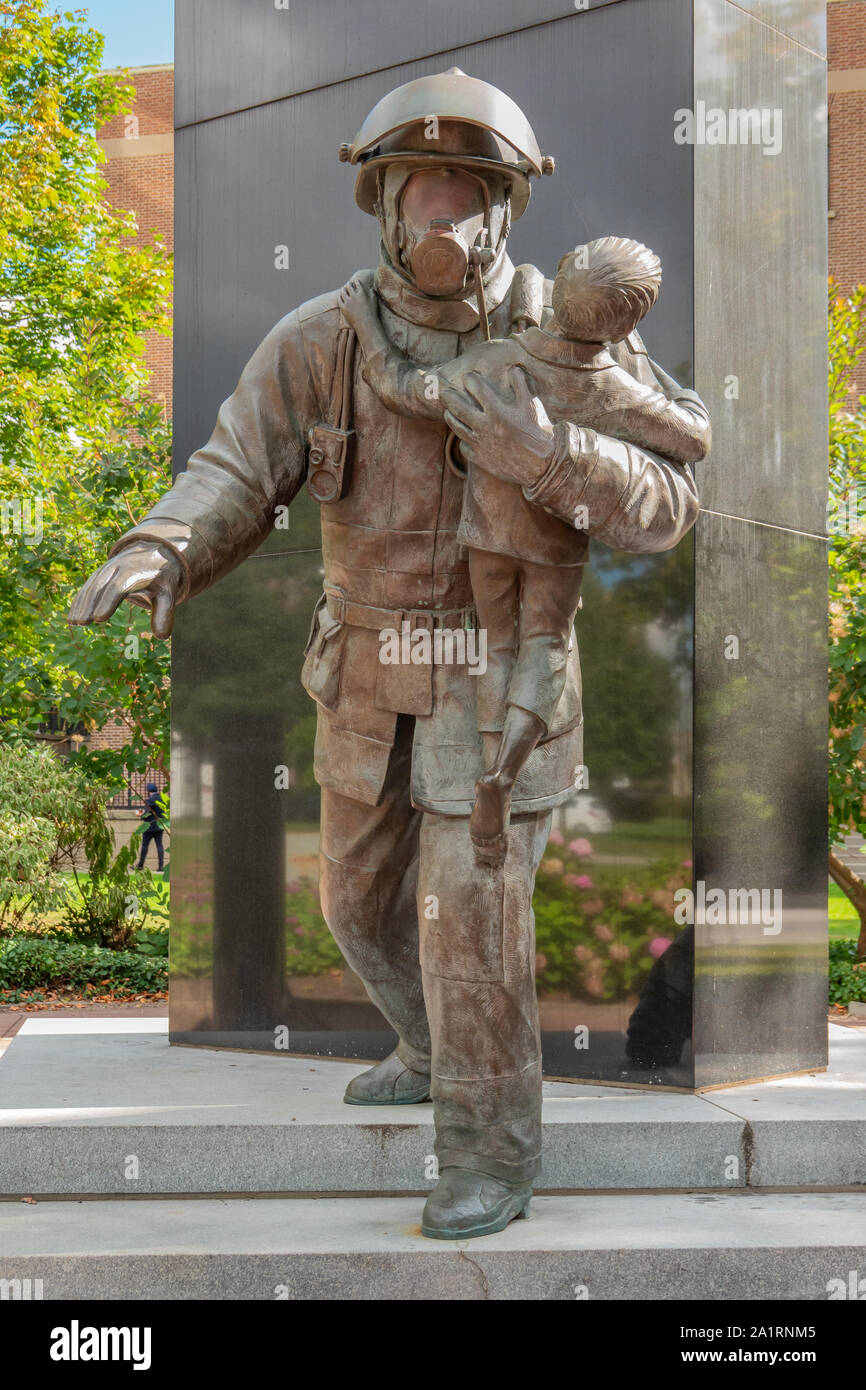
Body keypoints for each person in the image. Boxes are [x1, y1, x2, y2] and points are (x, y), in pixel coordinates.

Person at [68, 69, 704, 1240]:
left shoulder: (566, 340)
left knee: (469, 914)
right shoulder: (318, 339)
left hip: (502, 670)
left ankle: (487, 1148)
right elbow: (232, 471)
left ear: (507, 208)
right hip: (365, 670)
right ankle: (426, 1042)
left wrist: (550, 451)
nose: (442, 219)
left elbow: (669, 499)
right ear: (381, 203)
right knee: (354, 902)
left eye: (467, 194)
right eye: (422, 192)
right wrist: (163, 549)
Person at [337, 236, 710, 859]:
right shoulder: (613, 390)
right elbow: (694, 435)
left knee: (498, 646)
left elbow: (398, 384)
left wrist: (363, 321)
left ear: (560, 279)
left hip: (487, 538)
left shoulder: (490, 362)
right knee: (545, 646)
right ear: (624, 323)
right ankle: (503, 776)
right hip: (554, 547)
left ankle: (486, 754)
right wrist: (648, 369)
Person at [137, 783, 166, 872]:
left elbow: (146, 814)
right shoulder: (161, 799)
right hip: (159, 826)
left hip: (149, 827)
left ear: (148, 791)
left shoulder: (150, 800)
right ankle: (161, 866)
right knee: (159, 845)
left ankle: (140, 866)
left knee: (145, 846)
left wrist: (140, 815)